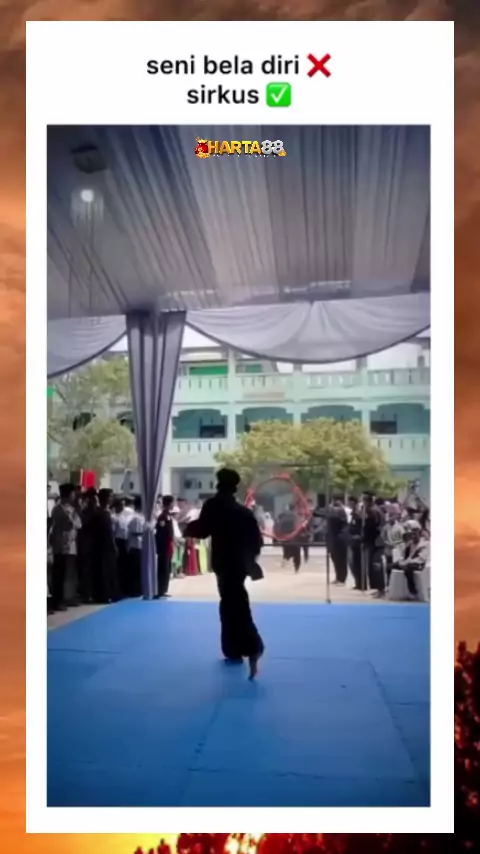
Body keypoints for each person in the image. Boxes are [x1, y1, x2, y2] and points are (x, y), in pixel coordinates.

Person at [185, 468, 264, 679]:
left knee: (231, 604)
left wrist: (189, 528)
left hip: (223, 562)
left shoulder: (213, 506)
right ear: (235, 487)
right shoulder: (244, 512)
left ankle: (249, 647)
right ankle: (241, 648)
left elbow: (202, 530)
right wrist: (250, 561)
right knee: (235, 602)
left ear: (218, 484)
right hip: (239, 565)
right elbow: (256, 542)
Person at [49, 482, 82, 610]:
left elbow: (79, 524)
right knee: (59, 574)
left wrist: (73, 520)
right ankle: (58, 600)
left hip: (71, 545)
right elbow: (69, 524)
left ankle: (68, 597)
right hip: (60, 546)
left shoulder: (72, 509)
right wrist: (72, 521)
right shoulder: (58, 509)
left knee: (69, 574)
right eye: (73, 493)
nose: (74, 496)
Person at [91, 488, 120, 603]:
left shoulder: (107, 512)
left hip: (106, 544)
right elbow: (107, 532)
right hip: (103, 544)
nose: (112, 498)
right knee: (103, 570)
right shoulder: (101, 513)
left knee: (110, 569)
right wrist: (113, 544)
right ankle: (104, 594)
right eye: (110, 496)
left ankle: (111, 593)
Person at [393, 519, 429, 596]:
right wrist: (402, 561)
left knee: (408, 568)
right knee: (391, 566)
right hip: (407, 562)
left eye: (415, 532)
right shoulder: (409, 544)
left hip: (418, 564)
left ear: (419, 532)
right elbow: (404, 556)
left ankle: (412, 588)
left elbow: (421, 558)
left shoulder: (425, 544)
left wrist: (407, 562)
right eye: (411, 532)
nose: (413, 534)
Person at [155, 494, 175, 598]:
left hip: (168, 544)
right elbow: (161, 532)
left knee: (167, 568)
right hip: (163, 546)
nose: (174, 505)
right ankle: (160, 590)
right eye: (173, 503)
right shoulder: (162, 516)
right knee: (163, 568)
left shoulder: (168, 515)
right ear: (169, 503)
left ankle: (164, 589)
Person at [326, 497, 348, 585]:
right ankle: (338, 577)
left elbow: (337, 521)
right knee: (335, 559)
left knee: (340, 560)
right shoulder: (333, 512)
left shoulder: (340, 511)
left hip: (340, 539)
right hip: (333, 539)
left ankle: (341, 579)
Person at [111, 497, 130, 597]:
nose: (123, 506)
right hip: (118, 541)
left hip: (124, 541)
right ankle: (117, 590)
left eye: (124, 504)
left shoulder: (124, 517)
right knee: (118, 567)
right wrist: (114, 545)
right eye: (121, 504)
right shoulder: (114, 517)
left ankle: (124, 588)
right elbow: (113, 533)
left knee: (124, 567)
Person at [127, 494, 144, 596]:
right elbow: (135, 531)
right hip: (135, 546)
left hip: (141, 546)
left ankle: (138, 589)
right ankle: (134, 590)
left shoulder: (142, 517)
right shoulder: (135, 517)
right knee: (135, 570)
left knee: (139, 570)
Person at [276, 504, 301, 572]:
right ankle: (296, 567)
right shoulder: (295, 516)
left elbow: (278, 524)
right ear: (295, 508)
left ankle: (286, 558)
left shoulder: (282, 515)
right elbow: (297, 526)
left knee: (286, 550)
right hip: (293, 536)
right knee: (296, 553)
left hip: (284, 536)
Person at [347, 496, 364, 589]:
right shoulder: (353, 514)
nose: (350, 505)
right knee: (352, 563)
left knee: (356, 563)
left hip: (357, 541)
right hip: (352, 540)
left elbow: (360, 527)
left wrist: (359, 536)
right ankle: (358, 582)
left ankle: (360, 583)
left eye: (351, 503)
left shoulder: (358, 514)